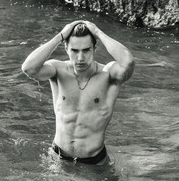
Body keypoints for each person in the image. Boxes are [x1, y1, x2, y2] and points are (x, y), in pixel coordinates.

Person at [21, 20, 135, 165]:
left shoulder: (108, 75)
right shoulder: (57, 70)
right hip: (58, 158)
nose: (80, 58)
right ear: (66, 48)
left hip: (94, 163)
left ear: (94, 48)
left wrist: (98, 32)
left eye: (86, 50)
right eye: (74, 50)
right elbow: (28, 68)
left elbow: (128, 62)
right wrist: (60, 35)